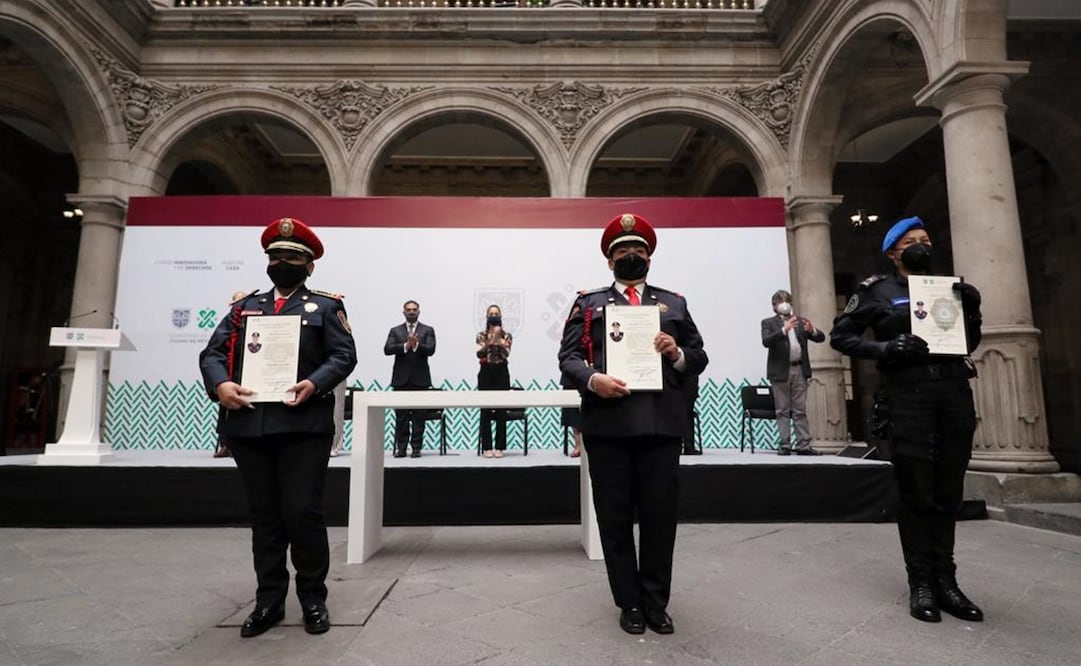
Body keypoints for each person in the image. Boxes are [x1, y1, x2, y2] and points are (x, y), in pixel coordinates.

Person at [199, 216, 357, 638]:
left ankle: (312, 598)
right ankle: (269, 600)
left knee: (302, 512)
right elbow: (212, 353)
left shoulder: (325, 307)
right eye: (275, 257)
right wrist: (221, 384)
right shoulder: (244, 308)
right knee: (265, 516)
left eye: (292, 257)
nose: (281, 263)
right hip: (251, 426)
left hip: (304, 426)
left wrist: (314, 383)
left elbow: (343, 356)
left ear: (309, 266)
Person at [558, 212, 708, 636]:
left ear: (649, 258)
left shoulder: (673, 303)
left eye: (637, 250)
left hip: (661, 425)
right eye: (622, 250)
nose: (630, 255)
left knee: (660, 519)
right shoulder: (589, 304)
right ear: (610, 261)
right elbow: (568, 358)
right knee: (615, 518)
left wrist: (676, 352)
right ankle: (630, 603)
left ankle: (656, 603)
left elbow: (698, 356)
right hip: (609, 426)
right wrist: (594, 380)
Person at [829, 215, 984, 624]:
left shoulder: (947, 287)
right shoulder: (876, 290)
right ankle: (922, 583)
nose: (921, 245)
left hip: (952, 391)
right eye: (912, 241)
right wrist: (886, 348)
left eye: (926, 239)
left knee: (949, 488)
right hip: (907, 394)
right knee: (916, 490)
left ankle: (947, 580)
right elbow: (841, 337)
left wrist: (973, 311)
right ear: (893, 253)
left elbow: (967, 342)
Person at [760, 289, 826, 455]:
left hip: (799, 369)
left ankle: (804, 445)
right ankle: (785, 445)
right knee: (782, 410)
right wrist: (784, 329)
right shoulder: (768, 323)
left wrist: (812, 330)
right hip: (780, 371)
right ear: (774, 306)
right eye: (780, 302)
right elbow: (766, 341)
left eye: (787, 301)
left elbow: (821, 338)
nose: (784, 304)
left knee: (800, 410)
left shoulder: (801, 321)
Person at [384, 300, 436, 458]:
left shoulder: (427, 330)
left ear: (419, 312)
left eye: (414, 309)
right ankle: (401, 448)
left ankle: (416, 448)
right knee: (401, 417)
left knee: (420, 418)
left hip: (421, 380)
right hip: (401, 380)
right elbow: (387, 349)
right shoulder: (395, 331)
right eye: (409, 309)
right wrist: (406, 346)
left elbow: (431, 349)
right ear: (404, 312)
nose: (411, 312)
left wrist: (417, 346)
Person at [214, 290, 252, 459]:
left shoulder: (252, 322)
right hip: (228, 375)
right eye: (236, 301)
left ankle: (238, 444)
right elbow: (217, 351)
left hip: (245, 375)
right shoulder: (230, 323)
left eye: (241, 300)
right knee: (225, 409)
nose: (238, 304)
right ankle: (224, 444)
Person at [476, 304, 512, 458]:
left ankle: (500, 446)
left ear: (500, 316)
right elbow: (479, 354)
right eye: (491, 313)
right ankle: (487, 447)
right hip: (485, 373)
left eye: (496, 313)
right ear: (487, 316)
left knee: (501, 411)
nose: (493, 316)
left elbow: (506, 354)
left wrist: (499, 341)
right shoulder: (481, 335)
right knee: (485, 411)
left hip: (501, 372)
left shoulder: (507, 336)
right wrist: (490, 342)